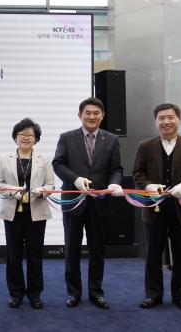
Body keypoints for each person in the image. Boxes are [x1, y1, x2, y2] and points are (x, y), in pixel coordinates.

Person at [52, 97, 124, 309]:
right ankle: (73, 293)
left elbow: (116, 169)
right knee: (72, 249)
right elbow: (57, 163)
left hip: (100, 204)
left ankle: (96, 292)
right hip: (74, 202)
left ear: (102, 116)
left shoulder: (111, 139)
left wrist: (114, 184)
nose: (91, 117)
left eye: (96, 113)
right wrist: (74, 179)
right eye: (87, 113)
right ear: (80, 115)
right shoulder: (67, 137)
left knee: (97, 250)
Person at [133, 103, 181, 312]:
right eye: (161, 118)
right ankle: (153, 295)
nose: (166, 122)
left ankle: (180, 297)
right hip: (154, 208)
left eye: (170, 117)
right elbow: (138, 173)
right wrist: (148, 186)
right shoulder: (145, 146)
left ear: (179, 120)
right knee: (153, 254)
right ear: (155, 122)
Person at [0, 118, 54, 309]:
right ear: (15, 137)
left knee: (35, 255)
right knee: (14, 255)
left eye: (30, 135)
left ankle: (35, 294)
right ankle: (16, 293)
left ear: (36, 139)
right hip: (13, 213)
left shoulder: (44, 159)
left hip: (36, 212)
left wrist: (43, 191)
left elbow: (51, 184)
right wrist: (13, 191)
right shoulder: (6, 158)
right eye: (22, 134)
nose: (25, 138)